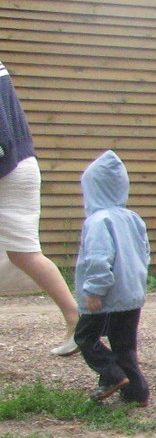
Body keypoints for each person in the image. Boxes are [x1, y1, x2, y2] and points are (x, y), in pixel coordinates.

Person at [0, 57, 81, 354]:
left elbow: (2, 138)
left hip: (8, 169)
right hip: (17, 165)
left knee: (25, 253)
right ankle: (76, 320)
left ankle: (77, 321)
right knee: (23, 253)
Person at [72, 151, 151, 405]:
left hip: (107, 297)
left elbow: (98, 258)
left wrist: (95, 290)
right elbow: (144, 255)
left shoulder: (98, 221)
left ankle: (112, 376)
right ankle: (137, 393)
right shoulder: (133, 219)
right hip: (132, 295)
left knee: (85, 338)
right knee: (124, 345)